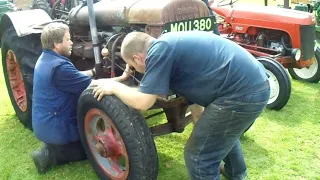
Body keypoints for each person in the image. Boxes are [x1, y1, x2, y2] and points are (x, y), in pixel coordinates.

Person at [92, 31, 270, 180]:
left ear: (137, 58)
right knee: (220, 134)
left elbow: (143, 102)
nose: (136, 71)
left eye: (133, 66)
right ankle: (236, 174)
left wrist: (115, 86)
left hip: (241, 94)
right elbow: (198, 110)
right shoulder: (170, 46)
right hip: (255, 85)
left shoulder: (159, 51)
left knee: (199, 156)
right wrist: (206, 131)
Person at [31, 22, 130, 174]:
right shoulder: (60, 68)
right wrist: (123, 78)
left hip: (46, 122)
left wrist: (93, 70)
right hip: (56, 127)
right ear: (57, 44)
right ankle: (47, 156)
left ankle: (52, 147)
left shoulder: (47, 59)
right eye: (67, 39)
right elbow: (92, 85)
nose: (71, 42)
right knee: (89, 150)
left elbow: (75, 77)